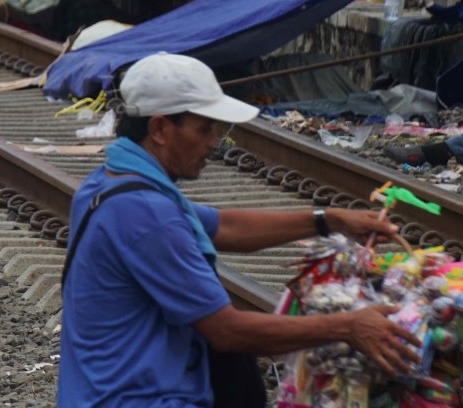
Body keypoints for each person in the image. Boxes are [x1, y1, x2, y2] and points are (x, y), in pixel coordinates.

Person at [58, 52, 421, 407]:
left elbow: (225, 226)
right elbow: (228, 331)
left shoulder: (110, 183)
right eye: (203, 129)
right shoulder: (146, 215)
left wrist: (330, 219)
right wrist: (348, 326)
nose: (213, 141)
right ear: (159, 129)